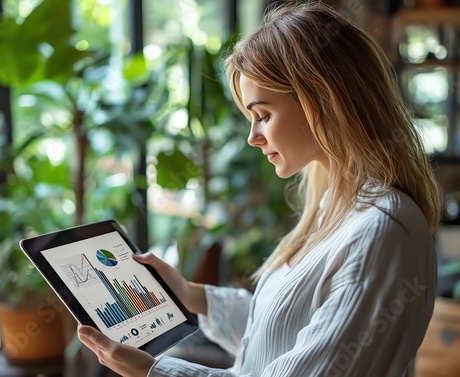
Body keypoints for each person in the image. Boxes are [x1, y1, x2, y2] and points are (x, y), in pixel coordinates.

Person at [77, 1, 443, 376]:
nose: (253, 137)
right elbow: (280, 336)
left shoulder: (379, 232)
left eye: (263, 115)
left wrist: (153, 371)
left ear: (322, 100)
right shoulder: (336, 205)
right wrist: (192, 296)